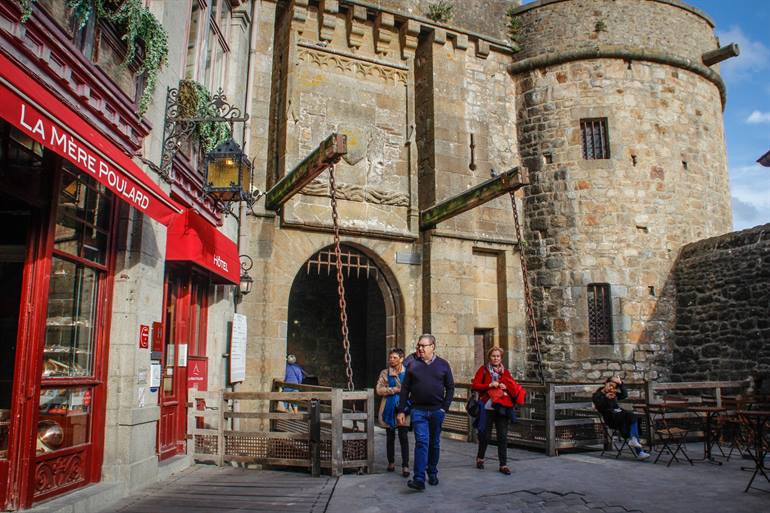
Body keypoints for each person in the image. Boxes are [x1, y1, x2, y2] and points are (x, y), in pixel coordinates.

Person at [397, 334, 454, 491]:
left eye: (423, 346)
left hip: (436, 411)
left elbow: (450, 387)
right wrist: (402, 410)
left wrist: (444, 408)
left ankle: (432, 472)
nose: (420, 348)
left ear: (432, 347)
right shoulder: (413, 365)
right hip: (418, 411)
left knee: (434, 443)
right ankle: (419, 478)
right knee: (421, 442)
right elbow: (405, 389)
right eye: (419, 345)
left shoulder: (443, 365)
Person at [471, 346, 525, 475]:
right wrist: (489, 385)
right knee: (485, 435)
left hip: (502, 408)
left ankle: (503, 464)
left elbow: (512, 386)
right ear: (489, 357)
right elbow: (475, 386)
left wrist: (505, 386)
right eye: (493, 356)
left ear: (501, 358)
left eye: (498, 356)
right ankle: (480, 457)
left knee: (502, 436)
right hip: (487, 408)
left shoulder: (505, 372)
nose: (495, 358)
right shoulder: (483, 370)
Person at [592, 376, 650, 459]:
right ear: (606, 383)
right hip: (611, 418)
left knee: (632, 416)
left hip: (621, 416)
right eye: (610, 385)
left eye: (613, 387)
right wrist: (606, 398)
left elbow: (624, 395)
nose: (611, 388)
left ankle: (634, 441)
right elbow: (600, 406)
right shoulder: (597, 395)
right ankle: (639, 451)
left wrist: (621, 384)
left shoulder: (614, 393)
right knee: (629, 418)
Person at [376, 348, 410, 477]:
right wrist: (393, 390)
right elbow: (379, 390)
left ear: (401, 359)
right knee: (390, 437)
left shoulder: (408, 373)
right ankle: (391, 462)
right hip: (388, 408)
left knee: (403, 436)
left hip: (404, 407)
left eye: (395, 358)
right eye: (390, 357)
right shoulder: (385, 373)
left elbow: (412, 389)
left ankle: (405, 465)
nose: (391, 360)